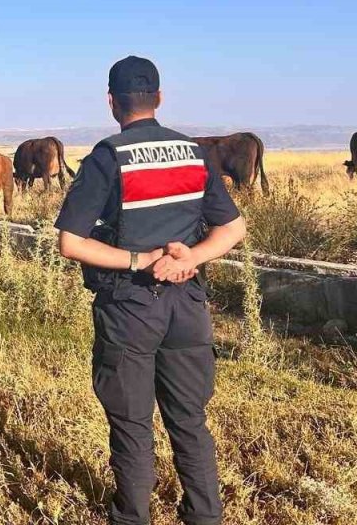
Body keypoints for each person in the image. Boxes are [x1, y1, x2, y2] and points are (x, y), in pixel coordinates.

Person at [55, 56, 247, 525]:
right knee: (190, 422)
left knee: (133, 426)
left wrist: (141, 260)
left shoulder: (108, 156)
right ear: (159, 99)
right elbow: (233, 228)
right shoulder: (194, 153)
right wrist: (190, 258)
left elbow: (70, 243)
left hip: (130, 307)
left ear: (111, 102)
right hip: (189, 306)